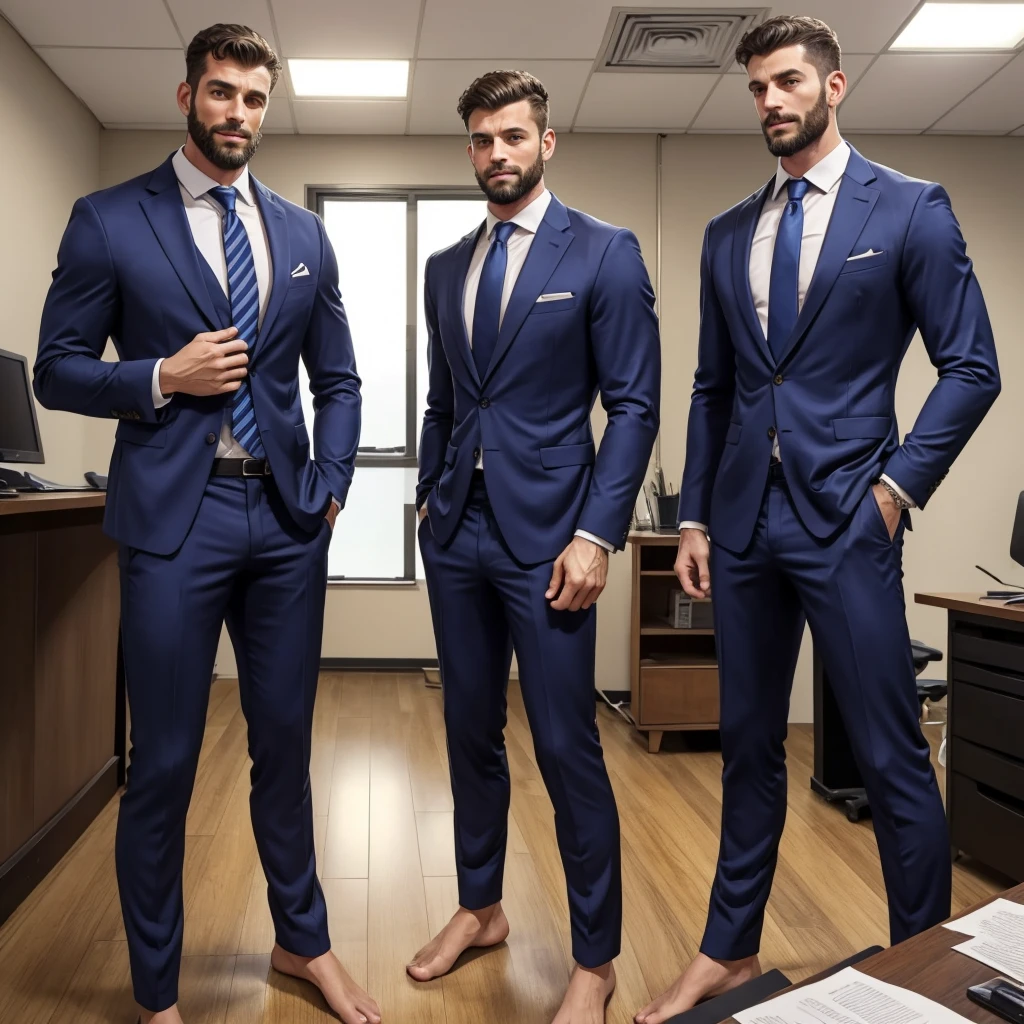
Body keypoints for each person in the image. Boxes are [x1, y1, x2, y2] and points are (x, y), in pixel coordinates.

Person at [637, 15, 1000, 1024]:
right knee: (747, 744)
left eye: (788, 81)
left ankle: (922, 970)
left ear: (834, 87)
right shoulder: (725, 234)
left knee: (888, 756)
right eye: (755, 87)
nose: (770, 101)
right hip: (743, 529)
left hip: (848, 523)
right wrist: (698, 520)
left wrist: (893, 489)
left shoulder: (912, 209)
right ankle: (726, 951)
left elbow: (973, 367)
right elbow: (713, 389)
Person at [34, 24, 380, 1024]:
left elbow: (341, 379)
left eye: (254, 99)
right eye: (221, 93)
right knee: (170, 760)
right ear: (186, 95)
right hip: (172, 523)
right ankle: (155, 995)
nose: (238, 114)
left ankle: (303, 942)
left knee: (284, 743)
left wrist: (331, 479)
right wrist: (158, 376)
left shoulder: (303, 236)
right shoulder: (107, 219)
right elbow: (57, 366)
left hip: (282, 518)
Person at [409, 70, 660, 1024]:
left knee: (564, 743)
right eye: (481, 139)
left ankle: (594, 960)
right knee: (469, 732)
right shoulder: (445, 266)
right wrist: (432, 498)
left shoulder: (603, 252)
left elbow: (632, 407)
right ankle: (481, 908)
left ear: (546, 142)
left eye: (513, 136)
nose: (497, 153)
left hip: (555, 540)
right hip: (458, 534)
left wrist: (597, 532)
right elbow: (444, 401)